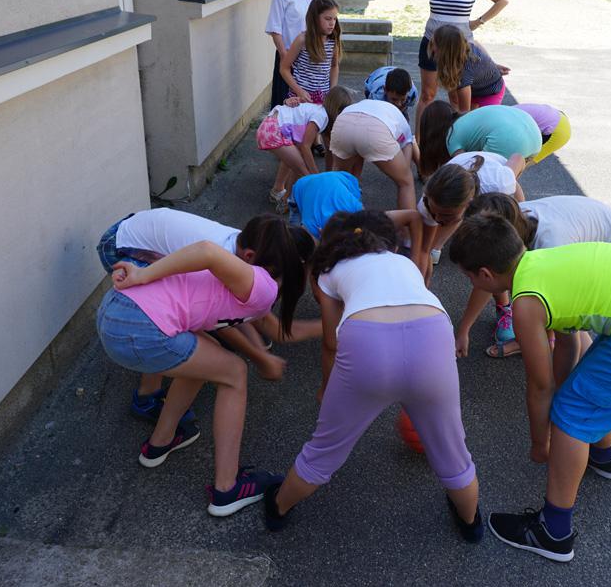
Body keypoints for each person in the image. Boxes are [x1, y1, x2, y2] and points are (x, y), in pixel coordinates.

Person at [449, 215, 611, 562]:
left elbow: (540, 386)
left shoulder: (526, 303)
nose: (471, 282)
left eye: (468, 276)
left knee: (571, 413)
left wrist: (540, 442)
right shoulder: (541, 261)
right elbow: (569, 344)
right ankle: (603, 456)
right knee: (586, 389)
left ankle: (553, 532)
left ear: (485, 274)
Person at [262, 211, 483, 543]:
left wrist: (327, 388)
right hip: (434, 331)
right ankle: (470, 522)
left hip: (368, 341)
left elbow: (331, 342)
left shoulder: (328, 271)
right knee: (453, 450)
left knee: (325, 449)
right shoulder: (403, 262)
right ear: (385, 243)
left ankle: (279, 508)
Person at [97, 216, 314, 516]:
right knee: (234, 373)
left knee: (207, 358)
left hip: (113, 314)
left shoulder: (236, 273)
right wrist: (142, 276)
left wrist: (261, 354)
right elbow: (207, 251)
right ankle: (227, 488)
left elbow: (257, 324)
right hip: (140, 326)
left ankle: (161, 442)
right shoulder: (262, 284)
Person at [96, 211, 316, 420]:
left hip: (140, 231)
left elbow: (245, 313)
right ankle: (147, 396)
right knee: (167, 314)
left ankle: (153, 384)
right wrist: (259, 357)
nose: (272, 282)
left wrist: (258, 348)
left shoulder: (253, 244)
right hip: (124, 244)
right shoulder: (221, 256)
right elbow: (216, 321)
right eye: (273, 275)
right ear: (251, 257)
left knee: (180, 320)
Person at [456, 193, 611, 360]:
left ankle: (577, 364)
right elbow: (485, 280)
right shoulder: (508, 216)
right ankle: (538, 339)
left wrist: (549, 331)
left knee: (569, 316)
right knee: (529, 294)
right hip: (597, 233)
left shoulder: (551, 245)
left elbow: (566, 315)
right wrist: (464, 330)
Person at [404, 0, 508, 138]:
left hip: (459, 49)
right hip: (433, 45)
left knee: (456, 99)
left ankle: (453, 140)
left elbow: (501, 0)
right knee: (427, 95)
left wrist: (478, 21)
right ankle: (420, 144)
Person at [414, 152, 525, 282]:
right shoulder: (429, 200)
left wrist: (521, 205)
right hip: (467, 181)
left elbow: (519, 158)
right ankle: (438, 245)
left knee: (500, 244)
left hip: (501, 172)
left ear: (469, 204)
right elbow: (424, 251)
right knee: (429, 240)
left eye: (445, 214)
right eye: (434, 212)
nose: (437, 218)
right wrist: (421, 285)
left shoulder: (499, 184)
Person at [329, 97, 417, 211]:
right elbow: (406, 160)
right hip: (376, 129)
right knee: (406, 182)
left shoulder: (367, 104)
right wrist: (403, 174)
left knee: (341, 179)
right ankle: (407, 221)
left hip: (344, 122)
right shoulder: (404, 126)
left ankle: (337, 217)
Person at [418, 102, 541, 179]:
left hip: (509, 137)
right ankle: (517, 206)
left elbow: (465, 167)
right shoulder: (466, 118)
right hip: (535, 135)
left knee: (485, 179)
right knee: (508, 180)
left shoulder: (451, 139)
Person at [266, 0, 323, 109]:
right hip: (289, 55)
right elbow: (275, 29)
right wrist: (285, 57)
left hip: (311, 57)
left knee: (310, 103)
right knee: (286, 102)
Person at [256, 96, 326, 213]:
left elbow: (302, 148)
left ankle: (283, 197)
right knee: (304, 172)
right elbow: (305, 146)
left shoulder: (313, 109)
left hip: (269, 127)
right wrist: (316, 176)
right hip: (273, 131)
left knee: (297, 165)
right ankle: (317, 205)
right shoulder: (321, 115)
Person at [280, 0, 342, 106]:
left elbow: (334, 66)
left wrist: (332, 91)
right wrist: (299, 91)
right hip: (300, 99)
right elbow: (284, 68)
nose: (332, 23)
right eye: (328, 19)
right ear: (315, 18)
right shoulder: (302, 40)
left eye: (334, 18)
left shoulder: (333, 41)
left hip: (323, 100)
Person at [430, 24, 507, 112]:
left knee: (481, 118)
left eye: (434, 43)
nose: (432, 46)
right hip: (474, 87)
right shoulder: (462, 47)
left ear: (445, 50)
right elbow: (476, 42)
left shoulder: (463, 72)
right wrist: (493, 65)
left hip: (490, 92)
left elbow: (465, 112)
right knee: (456, 103)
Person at [289, 171, 363, 240]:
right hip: (302, 185)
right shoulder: (311, 227)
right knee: (298, 238)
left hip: (340, 178)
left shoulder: (357, 209)